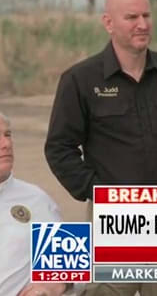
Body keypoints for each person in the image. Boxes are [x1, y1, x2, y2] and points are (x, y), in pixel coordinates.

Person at [44, 0, 157, 296]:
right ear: (108, 22)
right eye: (131, 17)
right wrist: (98, 193)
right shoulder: (80, 80)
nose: (142, 24)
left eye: (146, 16)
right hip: (112, 223)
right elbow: (59, 147)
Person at [0, 112, 66, 296]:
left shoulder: (36, 199)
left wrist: (54, 285)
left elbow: (69, 269)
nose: (6, 144)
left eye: (7, 135)